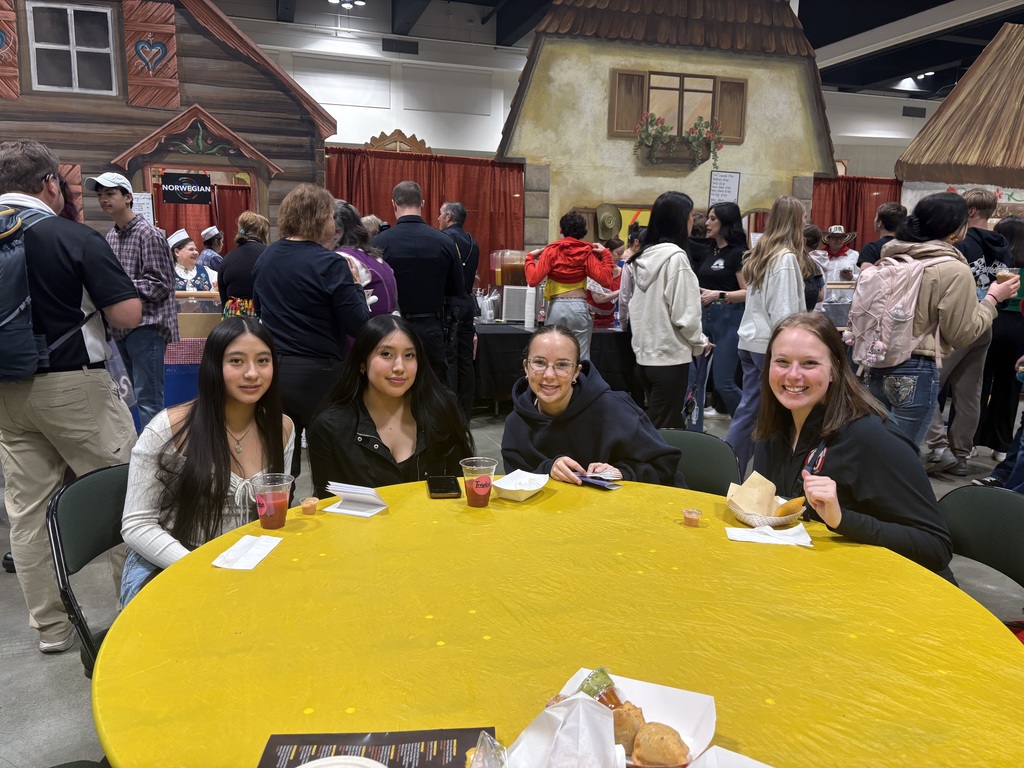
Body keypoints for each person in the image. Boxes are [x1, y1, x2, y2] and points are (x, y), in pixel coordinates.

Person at [0, 140, 141, 653]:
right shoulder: (70, 235)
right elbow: (126, 315)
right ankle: (137, 609)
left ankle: (52, 629)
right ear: (50, 184)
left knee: (28, 509)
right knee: (126, 494)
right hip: (74, 385)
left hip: (7, 390)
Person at [752, 312, 955, 579]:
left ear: (835, 369)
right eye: (782, 362)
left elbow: (935, 546)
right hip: (816, 576)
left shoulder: (870, 436)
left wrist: (842, 520)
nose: (793, 375)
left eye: (810, 363)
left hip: (894, 591)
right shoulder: (774, 426)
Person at [120, 318, 294, 606]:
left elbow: (271, 510)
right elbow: (137, 525)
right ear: (214, 366)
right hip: (170, 563)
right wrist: (202, 568)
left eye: (263, 361)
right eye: (236, 361)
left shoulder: (281, 428)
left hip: (242, 564)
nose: (252, 373)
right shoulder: (170, 428)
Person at [863, 192, 1018, 449]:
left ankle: (941, 451)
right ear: (956, 228)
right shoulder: (952, 267)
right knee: (902, 454)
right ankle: (954, 451)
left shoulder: (890, 257)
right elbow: (961, 333)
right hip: (919, 364)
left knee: (877, 448)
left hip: (876, 360)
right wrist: (992, 299)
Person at [252, 183, 369, 483]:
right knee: (330, 461)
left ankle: (277, 522)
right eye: (331, 216)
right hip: (322, 374)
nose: (334, 223)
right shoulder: (330, 263)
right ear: (319, 218)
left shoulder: (266, 258)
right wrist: (356, 287)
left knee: (279, 463)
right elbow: (358, 325)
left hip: (277, 370)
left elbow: (260, 309)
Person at [307, 315, 473, 496]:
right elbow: (328, 504)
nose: (399, 367)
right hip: (362, 524)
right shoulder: (330, 427)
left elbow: (463, 482)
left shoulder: (440, 409)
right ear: (362, 362)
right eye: (386, 354)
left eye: (409, 355)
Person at [502, 325, 684, 487]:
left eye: (562, 365)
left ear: (576, 372)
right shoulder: (516, 424)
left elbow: (665, 464)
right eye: (540, 363)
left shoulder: (615, 409)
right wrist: (548, 469)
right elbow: (516, 482)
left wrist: (623, 473)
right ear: (526, 368)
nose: (549, 375)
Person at [923, 188, 1015, 475]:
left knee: (924, 384)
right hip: (987, 320)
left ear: (971, 212)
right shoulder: (1003, 245)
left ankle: (939, 446)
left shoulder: (960, 244)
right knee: (969, 394)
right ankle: (961, 453)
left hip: (957, 323)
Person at [88, 171, 179, 429]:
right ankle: (139, 454)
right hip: (120, 326)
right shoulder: (111, 236)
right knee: (129, 397)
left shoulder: (149, 234)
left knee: (149, 399)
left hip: (147, 326)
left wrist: (117, 288)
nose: (104, 199)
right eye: (100, 195)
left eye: (110, 193)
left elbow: (161, 284)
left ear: (128, 197)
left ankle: (154, 458)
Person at [726, 195, 808, 473]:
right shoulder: (784, 258)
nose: (807, 221)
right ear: (796, 221)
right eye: (804, 217)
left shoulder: (763, 253)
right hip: (768, 346)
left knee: (753, 411)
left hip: (752, 342)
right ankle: (748, 470)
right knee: (766, 415)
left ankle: (734, 468)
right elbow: (784, 313)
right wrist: (789, 353)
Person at [371, 181, 464, 385]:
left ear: (394, 204)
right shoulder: (444, 241)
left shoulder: (378, 243)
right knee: (433, 388)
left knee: (392, 386)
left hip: (391, 327)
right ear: (421, 203)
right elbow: (457, 290)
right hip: (431, 325)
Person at [628, 191, 707, 429]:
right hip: (670, 360)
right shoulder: (676, 259)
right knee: (664, 431)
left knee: (658, 426)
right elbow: (686, 316)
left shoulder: (643, 257)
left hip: (644, 359)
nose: (693, 222)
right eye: (692, 216)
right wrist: (700, 342)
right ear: (681, 220)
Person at [526, 210, 614, 362]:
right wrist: (606, 254)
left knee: (553, 356)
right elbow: (606, 280)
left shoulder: (551, 250)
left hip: (557, 307)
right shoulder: (587, 252)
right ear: (583, 232)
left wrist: (529, 258)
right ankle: (581, 385)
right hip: (579, 307)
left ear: (561, 230)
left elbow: (533, 280)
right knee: (581, 357)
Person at [690, 202, 748, 431]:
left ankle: (748, 426)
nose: (707, 223)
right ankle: (694, 431)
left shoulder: (740, 254)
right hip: (703, 319)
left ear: (726, 222)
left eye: (713, 218)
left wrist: (720, 295)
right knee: (695, 381)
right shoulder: (708, 250)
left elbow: (749, 292)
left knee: (723, 382)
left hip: (729, 319)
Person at [973, 215, 1024, 461]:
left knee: (976, 384)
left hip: (990, 318)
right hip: (1020, 327)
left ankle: (969, 441)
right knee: (1011, 386)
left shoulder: (991, 261)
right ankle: (1001, 445)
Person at [438, 200, 480, 418]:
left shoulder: (443, 240)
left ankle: (451, 411)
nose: (437, 219)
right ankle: (466, 411)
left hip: (449, 305)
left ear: (448, 217)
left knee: (450, 357)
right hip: (468, 304)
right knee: (466, 359)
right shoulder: (474, 242)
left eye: (440, 214)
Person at [334, 199, 398, 317]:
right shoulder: (373, 256)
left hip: (367, 331)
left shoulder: (343, 259)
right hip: (389, 327)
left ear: (337, 232)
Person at [218, 210, 269, 317]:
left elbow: (223, 299)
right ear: (262, 231)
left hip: (233, 317)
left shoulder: (227, 258)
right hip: (260, 315)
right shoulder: (269, 254)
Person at [586, 237, 623, 329]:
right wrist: (622, 291)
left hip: (610, 320)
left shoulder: (622, 271)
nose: (621, 257)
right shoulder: (596, 269)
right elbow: (598, 299)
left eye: (622, 253)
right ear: (608, 252)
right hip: (591, 319)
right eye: (618, 253)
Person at [858, 202, 906, 269]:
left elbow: (866, 276)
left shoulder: (871, 248)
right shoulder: (909, 246)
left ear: (879, 223)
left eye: (875, 217)